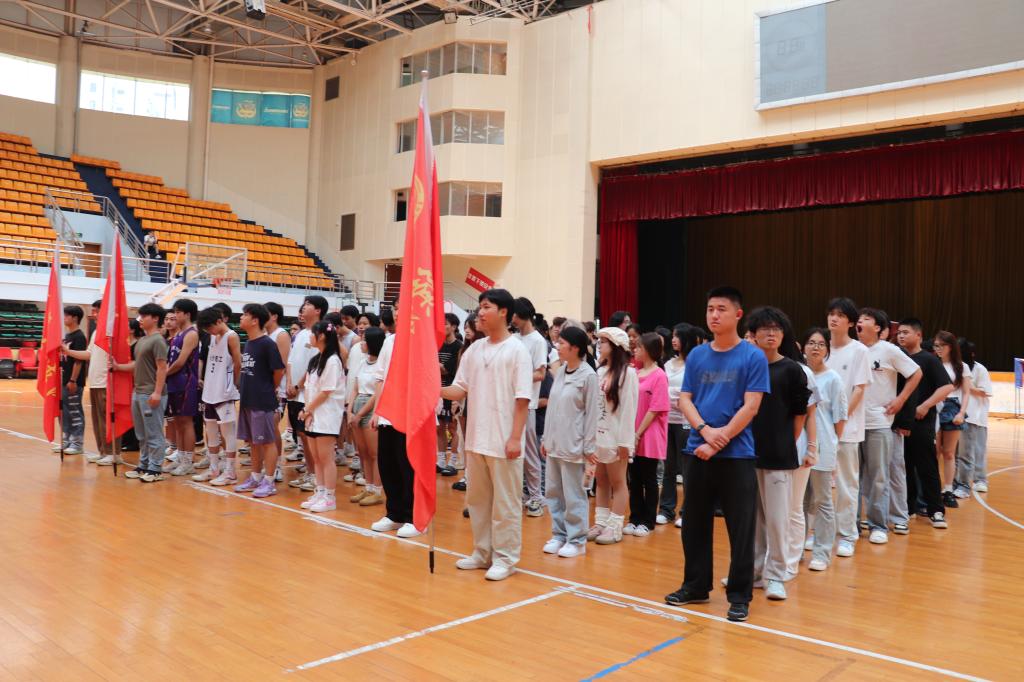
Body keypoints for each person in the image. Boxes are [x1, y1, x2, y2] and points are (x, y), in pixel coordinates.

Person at [664, 286, 768, 624]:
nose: (714, 315)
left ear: (738, 314)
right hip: (697, 449)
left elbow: (751, 406)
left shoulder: (752, 356)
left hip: (737, 455)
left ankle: (739, 596)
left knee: (741, 527)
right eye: (710, 308)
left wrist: (718, 440)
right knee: (694, 523)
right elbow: (685, 399)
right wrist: (704, 431)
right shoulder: (697, 355)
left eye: (721, 309)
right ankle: (695, 586)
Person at [441, 289, 532, 581]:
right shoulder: (474, 350)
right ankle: (482, 553)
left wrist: (515, 438)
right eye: (480, 307)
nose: (480, 313)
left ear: (503, 312)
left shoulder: (517, 350)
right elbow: (459, 389)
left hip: (504, 440)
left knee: (505, 504)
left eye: (486, 307)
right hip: (476, 438)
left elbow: (522, 399)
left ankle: (505, 558)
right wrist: (434, 388)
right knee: (478, 501)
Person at [747, 306, 810, 602]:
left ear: (783, 334)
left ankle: (776, 575)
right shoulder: (748, 367)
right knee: (753, 519)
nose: (771, 334)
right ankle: (754, 572)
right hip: (747, 453)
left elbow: (800, 414)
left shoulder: (792, 370)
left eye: (776, 329)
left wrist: (787, 443)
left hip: (779, 455)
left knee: (777, 519)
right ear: (753, 335)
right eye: (765, 329)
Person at [857, 308, 921, 544]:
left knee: (879, 478)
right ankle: (852, 525)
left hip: (879, 423)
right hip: (852, 424)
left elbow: (916, 373)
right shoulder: (853, 349)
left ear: (878, 328)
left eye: (866, 319)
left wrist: (900, 400)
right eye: (858, 319)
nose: (860, 322)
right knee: (853, 478)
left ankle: (878, 525)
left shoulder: (888, 350)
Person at [540, 326, 599, 558]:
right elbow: (553, 408)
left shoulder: (588, 376)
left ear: (575, 348)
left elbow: (592, 414)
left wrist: (589, 447)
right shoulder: (562, 371)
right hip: (554, 443)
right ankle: (559, 534)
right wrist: (546, 438)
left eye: (562, 343)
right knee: (554, 492)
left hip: (574, 445)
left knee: (574, 494)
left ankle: (577, 540)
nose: (557, 346)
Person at [824, 297, 871, 559]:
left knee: (846, 484)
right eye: (831, 314)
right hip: (819, 428)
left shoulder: (859, 351)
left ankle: (847, 535)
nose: (834, 319)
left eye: (840, 315)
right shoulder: (820, 346)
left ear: (851, 322)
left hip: (847, 429)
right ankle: (819, 532)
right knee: (818, 484)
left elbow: (859, 390)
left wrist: (839, 420)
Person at [369, 296, 420, 539]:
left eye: (403, 308)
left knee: (407, 465)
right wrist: (377, 411)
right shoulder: (389, 340)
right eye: (396, 308)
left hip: (410, 414)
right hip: (388, 413)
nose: (398, 313)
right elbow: (381, 378)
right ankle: (394, 513)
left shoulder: (421, 341)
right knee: (387, 463)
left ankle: (414, 517)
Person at [895, 319, 952, 528]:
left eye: (906, 332)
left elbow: (946, 387)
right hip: (898, 423)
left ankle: (936, 510)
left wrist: (926, 405)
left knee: (927, 467)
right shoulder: (896, 357)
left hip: (921, 424)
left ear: (918, 335)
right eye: (899, 332)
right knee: (904, 467)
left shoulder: (929, 360)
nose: (901, 336)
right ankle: (908, 508)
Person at [802, 328, 847, 572]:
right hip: (800, 446)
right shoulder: (799, 373)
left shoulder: (833, 379)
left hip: (824, 446)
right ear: (803, 348)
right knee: (800, 502)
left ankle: (821, 552)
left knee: (822, 500)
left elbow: (840, 419)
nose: (816, 347)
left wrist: (830, 444)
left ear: (827, 350)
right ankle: (796, 551)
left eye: (820, 344)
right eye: (811, 343)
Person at [589, 327, 638, 545]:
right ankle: (600, 522)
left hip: (616, 437)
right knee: (600, 480)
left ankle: (615, 526)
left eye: (603, 342)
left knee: (618, 482)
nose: (599, 345)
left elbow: (629, 410)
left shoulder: (628, 374)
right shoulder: (599, 371)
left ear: (616, 346)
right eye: (599, 341)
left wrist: (625, 442)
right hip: (598, 436)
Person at [61, 300, 123, 465]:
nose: (94, 314)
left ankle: (114, 453)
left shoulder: (111, 331)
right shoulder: (96, 332)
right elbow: (88, 354)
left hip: (106, 382)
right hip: (95, 382)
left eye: (97, 311)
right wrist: (68, 351)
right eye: (93, 311)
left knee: (107, 419)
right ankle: (103, 451)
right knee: (98, 420)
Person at [233, 304, 286, 498]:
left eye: (245, 315)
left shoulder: (267, 344)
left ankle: (269, 481)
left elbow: (279, 370)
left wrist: (268, 388)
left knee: (267, 442)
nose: (241, 318)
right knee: (254, 442)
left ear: (255, 320)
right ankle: (255, 477)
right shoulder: (249, 343)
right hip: (248, 399)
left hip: (262, 400)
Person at [112, 303, 168, 481]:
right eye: (140, 316)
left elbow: (162, 367)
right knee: (141, 434)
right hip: (138, 392)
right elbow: (137, 365)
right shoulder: (142, 341)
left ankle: (155, 468)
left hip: (151, 393)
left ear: (155, 319)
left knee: (153, 432)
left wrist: (157, 392)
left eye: (144, 316)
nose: (140, 320)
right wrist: (118, 367)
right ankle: (144, 465)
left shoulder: (158, 340)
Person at [658, 323, 705, 528]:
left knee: (687, 468)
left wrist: (683, 399)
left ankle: (688, 511)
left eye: (678, 336)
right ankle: (666, 509)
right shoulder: (668, 363)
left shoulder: (696, 364)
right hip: (667, 420)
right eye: (673, 336)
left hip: (687, 421)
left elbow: (698, 392)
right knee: (668, 467)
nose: (673, 340)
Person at [297, 320, 346, 512]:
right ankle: (320, 491)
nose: (310, 336)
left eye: (313, 333)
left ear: (322, 336)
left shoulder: (333, 360)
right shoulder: (316, 359)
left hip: (326, 415)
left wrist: (308, 410)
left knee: (326, 458)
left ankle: (330, 497)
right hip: (313, 414)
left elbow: (326, 391)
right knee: (316, 457)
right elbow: (310, 389)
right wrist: (307, 409)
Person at [625, 332, 669, 538]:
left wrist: (638, 433)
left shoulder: (659, 375)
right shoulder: (634, 372)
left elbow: (655, 409)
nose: (635, 350)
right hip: (632, 432)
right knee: (634, 479)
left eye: (639, 347)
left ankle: (648, 520)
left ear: (649, 350)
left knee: (649, 479)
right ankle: (634, 518)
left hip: (649, 434)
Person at [192, 307, 241, 485]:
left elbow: (238, 363)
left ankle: (230, 472)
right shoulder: (212, 337)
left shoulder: (232, 336)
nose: (208, 331)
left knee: (228, 433)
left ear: (219, 321)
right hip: (210, 391)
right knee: (211, 432)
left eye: (209, 327)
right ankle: (214, 469)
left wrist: (234, 385)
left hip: (224, 392)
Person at [513, 297, 550, 518]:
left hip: (527, 404)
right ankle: (522, 494)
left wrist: (516, 376)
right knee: (514, 453)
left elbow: (540, 373)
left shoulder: (537, 341)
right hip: (511, 402)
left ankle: (537, 496)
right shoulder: (514, 338)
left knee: (529, 453)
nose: (512, 319)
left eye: (514, 314)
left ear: (522, 315)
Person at [286, 296, 327, 492]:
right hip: (294, 392)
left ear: (318, 310)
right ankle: (310, 473)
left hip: (308, 394)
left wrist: (298, 385)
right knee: (301, 436)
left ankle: (315, 476)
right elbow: (290, 361)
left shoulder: (321, 334)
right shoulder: (301, 334)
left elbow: (315, 365)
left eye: (309, 305)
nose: (304, 307)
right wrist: (289, 383)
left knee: (309, 435)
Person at [933, 330, 972, 508]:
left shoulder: (961, 366)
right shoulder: (933, 363)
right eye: (936, 345)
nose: (938, 348)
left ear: (951, 346)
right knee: (934, 453)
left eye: (942, 345)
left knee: (949, 453)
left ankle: (948, 489)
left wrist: (961, 413)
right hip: (934, 406)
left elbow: (966, 393)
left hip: (952, 407)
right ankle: (932, 489)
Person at [348, 327, 386, 506]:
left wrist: (360, 413)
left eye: (364, 340)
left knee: (374, 453)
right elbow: (355, 388)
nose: (361, 343)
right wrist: (350, 410)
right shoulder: (363, 362)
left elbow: (377, 394)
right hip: (357, 405)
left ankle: (377, 490)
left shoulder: (381, 365)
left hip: (370, 408)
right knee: (362, 452)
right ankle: (368, 487)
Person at [164, 298, 201, 476]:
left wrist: (163, 374)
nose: (175, 315)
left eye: (178, 312)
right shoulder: (178, 333)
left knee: (186, 422)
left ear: (187, 314)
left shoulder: (191, 334)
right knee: (178, 422)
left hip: (185, 382)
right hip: (174, 382)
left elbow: (180, 362)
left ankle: (188, 462)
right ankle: (180, 458)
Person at [959, 339, 992, 494]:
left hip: (975, 417)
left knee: (977, 450)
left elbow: (984, 392)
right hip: (957, 415)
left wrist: (967, 385)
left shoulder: (980, 369)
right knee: (960, 453)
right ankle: (960, 481)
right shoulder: (954, 367)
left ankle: (980, 480)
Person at [265, 301, 292, 482]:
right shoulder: (264, 335)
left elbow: (281, 366)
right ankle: (267, 465)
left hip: (276, 389)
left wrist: (273, 387)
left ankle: (277, 466)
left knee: (272, 427)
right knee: (264, 428)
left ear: (274, 316)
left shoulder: (281, 335)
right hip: (264, 387)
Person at [56, 305, 88, 455]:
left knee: (74, 411)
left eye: (66, 315)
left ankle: (77, 443)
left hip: (73, 382)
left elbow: (79, 360)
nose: (64, 318)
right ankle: (66, 439)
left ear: (75, 318)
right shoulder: (67, 336)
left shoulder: (79, 337)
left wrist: (73, 380)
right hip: (64, 380)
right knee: (65, 411)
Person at [437, 313, 462, 477]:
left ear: (453, 326)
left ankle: (453, 462)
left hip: (453, 391)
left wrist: (437, 366)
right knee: (439, 427)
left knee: (453, 427)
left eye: (446, 323)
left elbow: (447, 370)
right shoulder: (438, 345)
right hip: (438, 391)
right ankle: (440, 461)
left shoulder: (458, 347)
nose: (443, 326)